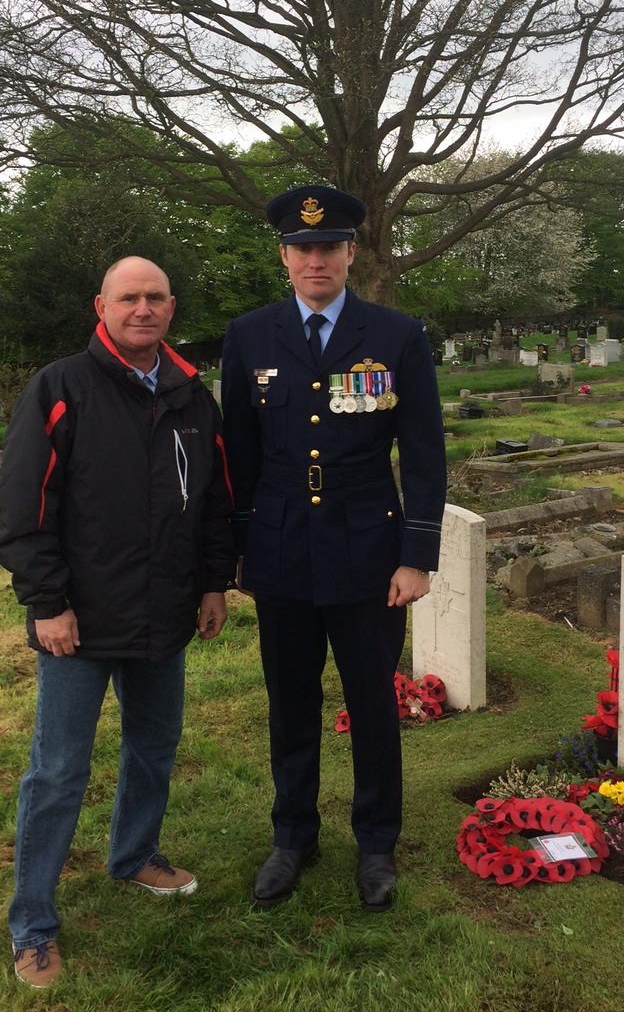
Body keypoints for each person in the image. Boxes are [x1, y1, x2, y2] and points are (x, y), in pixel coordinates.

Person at [0, 257, 236, 988]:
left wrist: (213, 585)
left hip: (164, 614)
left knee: (153, 746)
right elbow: (22, 509)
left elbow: (216, 503)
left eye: (155, 297)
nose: (143, 308)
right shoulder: (60, 387)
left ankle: (134, 855)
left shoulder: (192, 397)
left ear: (172, 307)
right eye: (128, 297)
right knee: (59, 770)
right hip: (79, 619)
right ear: (99, 305)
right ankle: (33, 924)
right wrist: (48, 604)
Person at [222, 185, 446, 913]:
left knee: (372, 704)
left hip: (369, 552)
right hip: (283, 549)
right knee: (289, 702)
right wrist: (239, 554)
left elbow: (422, 454)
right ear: (285, 257)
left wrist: (416, 555)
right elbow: (240, 457)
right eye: (302, 248)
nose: (315, 259)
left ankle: (376, 842)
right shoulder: (248, 336)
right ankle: (293, 836)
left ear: (351, 252)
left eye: (329, 247)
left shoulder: (397, 335)